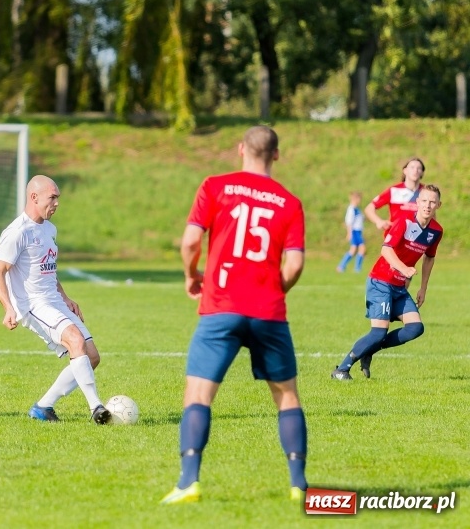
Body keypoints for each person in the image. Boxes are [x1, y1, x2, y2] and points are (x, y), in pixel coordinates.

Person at [161, 126, 308, 505]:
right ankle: (298, 485)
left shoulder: (215, 186)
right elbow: (295, 264)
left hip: (220, 308)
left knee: (198, 393)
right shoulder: (290, 203)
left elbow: (192, 241)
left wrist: (191, 275)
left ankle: (189, 482)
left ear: (240, 149)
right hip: (269, 312)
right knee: (286, 395)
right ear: (277, 155)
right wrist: (275, 290)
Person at [0, 175, 112, 425]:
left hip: (54, 300)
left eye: (58, 198)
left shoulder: (49, 228)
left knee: (91, 357)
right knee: (75, 340)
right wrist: (8, 308)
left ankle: (43, 407)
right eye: (52, 198)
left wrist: (66, 298)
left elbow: (48, 269)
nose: (56, 203)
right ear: (34, 197)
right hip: (33, 304)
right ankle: (96, 407)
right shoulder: (17, 232)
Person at [331, 184, 443, 381]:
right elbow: (386, 250)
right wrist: (404, 268)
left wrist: (423, 287)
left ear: (438, 205)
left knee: (416, 328)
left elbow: (429, 258)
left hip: (399, 288)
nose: (427, 205)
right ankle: (341, 369)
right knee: (378, 332)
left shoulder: (436, 231)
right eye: (424, 200)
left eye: (432, 202)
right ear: (417, 202)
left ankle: (369, 351)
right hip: (380, 282)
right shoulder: (404, 221)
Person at [365, 157, 426, 233]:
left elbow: (432, 216)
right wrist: (379, 221)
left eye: (419, 168)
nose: (415, 170)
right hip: (395, 236)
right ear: (405, 170)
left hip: (417, 238)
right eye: (412, 167)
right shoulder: (394, 190)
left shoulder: (426, 192)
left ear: (422, 173)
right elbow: (369, 208)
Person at [337, 191, 366, 273]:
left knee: (360, 249)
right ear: (355, 199)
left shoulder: (357, 209)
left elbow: (361, 218)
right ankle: (342, 266)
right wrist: (349, 233)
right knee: (354, 250)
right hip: (354, 231)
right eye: (359, 198)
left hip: (358, 231)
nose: (360, 200)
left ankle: (355, 268)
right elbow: (349, 222)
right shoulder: (351, 209)